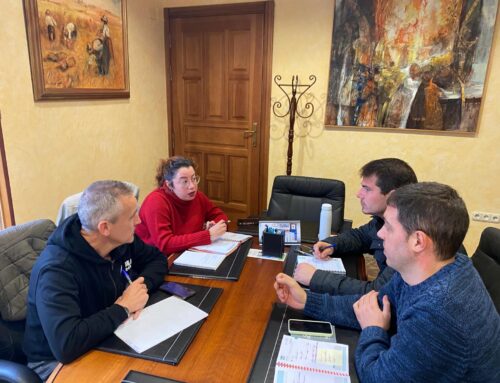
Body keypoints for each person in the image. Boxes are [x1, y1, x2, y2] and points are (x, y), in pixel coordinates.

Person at [275, 182, 500, 382]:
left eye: (389, 227)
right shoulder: (436, 265)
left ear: (418, 241)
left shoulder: (438, 311)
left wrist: (373, 329)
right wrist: (307, 301)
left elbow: (377, 376)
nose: (380, 234)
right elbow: (372, 305)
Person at [23, 181, 168, 381]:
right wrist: (124, 307)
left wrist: (139, 287)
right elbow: (66, 345)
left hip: (107, 334)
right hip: (55, 363)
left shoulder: (120, 241)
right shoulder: (57, 269)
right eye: (132, 215)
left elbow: (157, 259)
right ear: (105, 227)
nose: (139, 221)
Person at [294, 158, 417, 295]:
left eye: (367, 189)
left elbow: (377, 293)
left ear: (393, 196)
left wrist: (316, 278)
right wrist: (331, 244)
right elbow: (360, 236)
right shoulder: (383, 221)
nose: (359, 194)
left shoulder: (408, 237)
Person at [135, 156, 228, 255]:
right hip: (155, 258)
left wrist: (214, 224)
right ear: (170, 185)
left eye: (194, 179)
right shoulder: (156, 202)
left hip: (187, 252)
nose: (192, 186)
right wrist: (207, 235)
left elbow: (221, 216)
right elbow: (165, 244)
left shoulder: (197, 196)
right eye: (185, 181)